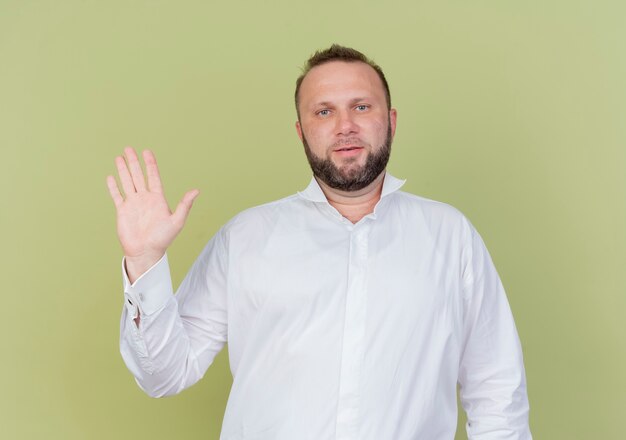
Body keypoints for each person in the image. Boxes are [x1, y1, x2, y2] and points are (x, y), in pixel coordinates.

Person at [107, 45, 532, 440]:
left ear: (392, 120)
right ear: (301, 131)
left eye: (361, 107)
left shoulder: (450, 236)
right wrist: (145, 261)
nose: (345, 126)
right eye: (324, 112)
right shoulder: (246, 238)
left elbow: (497, 391)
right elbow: (164, 374)